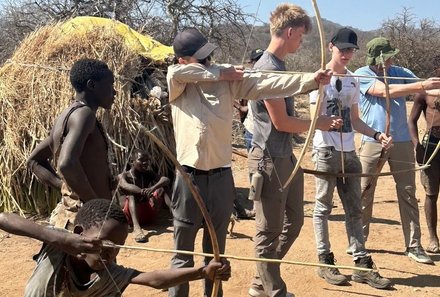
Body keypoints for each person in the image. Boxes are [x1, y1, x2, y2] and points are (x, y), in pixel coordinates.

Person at [167, 26, 336, 297]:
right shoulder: (178, 80)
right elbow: (179, 73)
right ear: (184, 60)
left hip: (221, 177)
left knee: (216, 255)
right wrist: (220, 71)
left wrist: (310, 80)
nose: (208, 62)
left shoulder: (227, 80)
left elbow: (268, 83)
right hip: (189, 177)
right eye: (202, 59)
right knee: (182, 254)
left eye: (209, 57)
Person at [247, 4, 342, 297]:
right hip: (269, 158)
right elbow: (282, 122)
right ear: (289, 32)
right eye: (300, 36)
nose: (301, 42)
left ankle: (261, 279)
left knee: (295, 220)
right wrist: (320, 122)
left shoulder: (279, 66)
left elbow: (292, 91)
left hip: (285, 156)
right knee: (269, 229)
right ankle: (273, 290)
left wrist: (315, 81)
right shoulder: (266, 69)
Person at [0, 199, 231, 296]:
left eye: (118, 247)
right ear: (79, 234)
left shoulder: (108, 273)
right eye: (104, 244)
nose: (111, 253)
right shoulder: (58, 245)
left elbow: (153, 279)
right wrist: (61, 239)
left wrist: (201, 271)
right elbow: (4, 218)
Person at [310, 28, 392, 289]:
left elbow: (355, 120)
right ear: (330, 46)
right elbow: (313, 119)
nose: (346, 54)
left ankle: (361, 263)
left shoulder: (353, 80)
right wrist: (324, 123)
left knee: (355, 209)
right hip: (326, 151)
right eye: (342, 49)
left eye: (350, 50)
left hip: (349, 151)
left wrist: (377, 133)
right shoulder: (319, 78)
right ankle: (325, 260)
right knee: (323, 207)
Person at [355, 37, 440, 264]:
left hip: (400, 140)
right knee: (364, 190)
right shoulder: (362, 73)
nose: (393, 59)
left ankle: (414, 245)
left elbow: (428, 89)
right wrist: (422, 86)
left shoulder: (400, 71)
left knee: (408, 191)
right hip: (373, 139)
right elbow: (385, 91)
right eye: (389, 55)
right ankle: (358, 242)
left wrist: (431, 86)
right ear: (379, 57)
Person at [27, 59, 116, 229]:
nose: (115, 91)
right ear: (92, 85)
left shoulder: (67, 116)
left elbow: (34, 161)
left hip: (73, 215)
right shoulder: (84, 115)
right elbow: (67, 164)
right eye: (110, 84)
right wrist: (94, 205)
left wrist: (65, 187)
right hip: (86, 220)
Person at [408, 77, 440, 253]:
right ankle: (433, 237)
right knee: (431, 193)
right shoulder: (425, 91)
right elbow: (411, 120)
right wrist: (417, 146)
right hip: (432, 146)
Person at [118, 149, 171, 243]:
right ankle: (137, 228)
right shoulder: (123, 176)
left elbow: (165, 179)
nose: (145, 163)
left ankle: (176, 215)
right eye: (141, 160)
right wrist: (143, 192)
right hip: (130, 216)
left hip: (148, 213)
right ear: (132, 161)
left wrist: (152, 188)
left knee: (162, 188)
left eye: (147, 160)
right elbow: (125, 185)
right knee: (132, 195)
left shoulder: (147, 174)